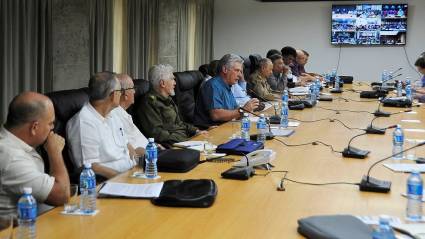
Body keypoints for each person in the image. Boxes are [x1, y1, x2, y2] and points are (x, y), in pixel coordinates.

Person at [0, 92, 70, 216]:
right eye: (50, 123)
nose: (53, 127)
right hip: (19, 230)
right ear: (34, 127)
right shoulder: (13, 158)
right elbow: (62, 195)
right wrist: (55, 152)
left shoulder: (12, 140)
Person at [67, 72, 136, 179]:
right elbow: (91, 167)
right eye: (120, 91)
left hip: (132, 173)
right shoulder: (84, 122)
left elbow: (127, 145)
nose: (122, 94)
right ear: (113, 95)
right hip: (109, 183)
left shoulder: (113, 114)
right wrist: (124, 179)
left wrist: (141, 168)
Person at [135, 64, 206, 146]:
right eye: (172, 79)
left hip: (184, 140)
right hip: (173, 145)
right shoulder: (149, 103)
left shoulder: (168, 99)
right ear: (162, 83)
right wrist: (184, 140)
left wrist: (196, 131)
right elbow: (157, 133)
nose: (175, 83)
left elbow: (180, 124)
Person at [194, 54, 259, 127]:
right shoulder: (213, 85)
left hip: (225, 127)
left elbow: (234, 110)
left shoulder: (228, 86)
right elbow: (216, 115)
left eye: (240, 72)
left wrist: (247, 111)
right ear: (225, 69)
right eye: (237, 70)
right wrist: (243, 110)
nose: (240, 75)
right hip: (210, 131)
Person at [111, 74, 149, 156]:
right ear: (125, 94)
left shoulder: (123, 113)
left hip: (152, 151)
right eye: (133, 88)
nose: (135, 92)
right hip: (144, 158)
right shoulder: (114, 116)